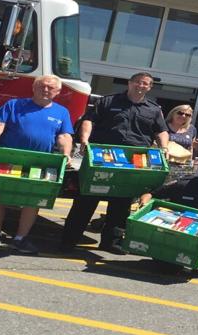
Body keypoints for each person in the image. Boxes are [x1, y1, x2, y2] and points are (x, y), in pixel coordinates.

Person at [60, 72, 169, 254]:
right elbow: (89, 120)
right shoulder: (107, 102)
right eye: (137, 82)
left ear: (149, 87)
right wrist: (85, 140)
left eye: (145, 84)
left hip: (134, 159)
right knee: (87, 197)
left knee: (122, 201)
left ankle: (112, 242)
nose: (140, 86)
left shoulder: (154, 109)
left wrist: (164, 147)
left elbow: (162, 130)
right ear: (129, 83)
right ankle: (69, 240)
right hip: (104, 155)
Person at [0, 75, 74, 255]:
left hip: (40, 162)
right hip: (7, 157)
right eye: (42, 86)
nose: (46, 90)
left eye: (51, 88)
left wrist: (66, 154)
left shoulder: (62, 112)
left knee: (32, 200)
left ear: (57, 92)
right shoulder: (14, 105)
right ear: (33, 88)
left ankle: (20, 239)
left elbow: (64, 136)